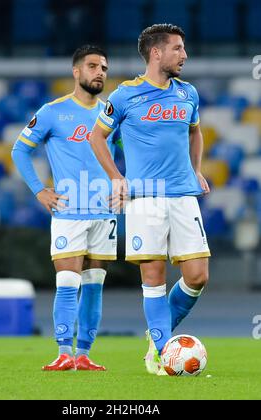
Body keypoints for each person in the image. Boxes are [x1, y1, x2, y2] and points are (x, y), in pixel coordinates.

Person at [89, 24, 211, 375]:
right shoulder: (125, 95)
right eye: (177, 49)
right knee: (154, 276)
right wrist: (116, 177)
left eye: (183, 49)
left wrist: (196, 169)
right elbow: (98, 138)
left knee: (198, 276)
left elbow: (195, 132)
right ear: (156, 53)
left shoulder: (188, 93)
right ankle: (160, 353)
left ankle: (158, 336)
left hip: (183, 196)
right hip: (144, 200)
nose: (184, 55)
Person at [12, 45, 121, 371]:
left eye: (103, 67)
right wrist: (39, 190)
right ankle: (63, 352)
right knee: (67, 283)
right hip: (69, 211)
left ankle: (84, 354)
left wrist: (125, 184)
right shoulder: (52, 112)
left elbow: (130, 152)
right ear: (76, 72)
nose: (99, 71)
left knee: (94, 285)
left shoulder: (111, 116)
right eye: (92, 66)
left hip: (104, 212)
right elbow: (19, 150)